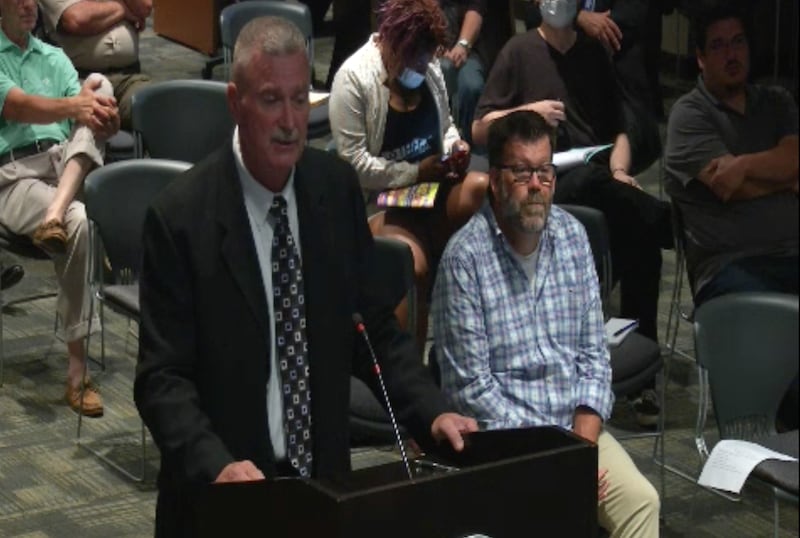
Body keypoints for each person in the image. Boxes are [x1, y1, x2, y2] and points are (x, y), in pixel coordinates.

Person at [134, 16, 477, 536]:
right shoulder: (180, 218)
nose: (290, 121)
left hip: (322, 490)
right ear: (235, 103)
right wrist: (214, 463)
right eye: (271, 100)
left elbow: (374, 328)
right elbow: (162, 379)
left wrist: (431, 411)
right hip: (224, 496)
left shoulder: (333, 190)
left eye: (300, 99)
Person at [433, 110, 660, 538]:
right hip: (506, 447)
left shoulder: (572, 237)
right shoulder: (465, 260)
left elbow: (594, 359)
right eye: (522, 173)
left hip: (576, 433)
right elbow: (471, 391)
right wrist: (554, 460)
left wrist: (580, 452)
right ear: (495, 180)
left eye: (545, 171)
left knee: (641, 502)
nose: (537, 185)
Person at [472, 0, 670, 426]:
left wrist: (620, 170)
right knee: (603, 191)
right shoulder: (519, 51)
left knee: (641, 243)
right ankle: (669, 222)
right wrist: (529, 112)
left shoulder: (593, 54)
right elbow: (480, 128)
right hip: (541, 179)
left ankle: (641, 378)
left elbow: (618, 130)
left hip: (596, 176)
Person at [664, 6, 798, 431]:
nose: (731, 54)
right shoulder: (689, 115)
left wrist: (742, 166)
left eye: (738, 42)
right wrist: (785, 179)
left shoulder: (776, 102)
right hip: (730, 268)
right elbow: (727, 188)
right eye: (718, 46)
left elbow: (794, 158)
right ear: (701, 58)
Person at [329, 0, 488, 350]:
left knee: (482, 187)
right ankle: (411, 363)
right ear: (394, 44)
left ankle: (468, 323)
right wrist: (414, 171)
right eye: (417, 59)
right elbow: (354, 165)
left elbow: (446, 127)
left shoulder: (429, 70)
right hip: (383, 202)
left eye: (427, 58)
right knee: (413, 266)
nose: (423, 67)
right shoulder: (354, 79)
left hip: (432, 187)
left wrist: (456, 146)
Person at [0, 0, 118, 416]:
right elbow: (16, 106)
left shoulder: (54, 56)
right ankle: (77, 371)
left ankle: (55, 213)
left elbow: (86, 115)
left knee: (100, 86)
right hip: (13, 176)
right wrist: (77, 108)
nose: (29, 5)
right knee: (80, 221)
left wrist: (106, 121)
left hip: (64, 164)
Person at [39, 0, 153, 130]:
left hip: (128, 78)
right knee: (93, 122)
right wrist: (123, 9)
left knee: (157, 107)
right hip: (79, 81)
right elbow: (77, 20)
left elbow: (145, 6)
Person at [438, 0, 514, 146]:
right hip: (431, 49)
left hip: (471, 49)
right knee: (444, 71)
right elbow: (425, 11)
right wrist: (436, 44)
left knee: (472, 86)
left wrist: (463, 45)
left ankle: (470, 143)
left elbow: (476, 8)